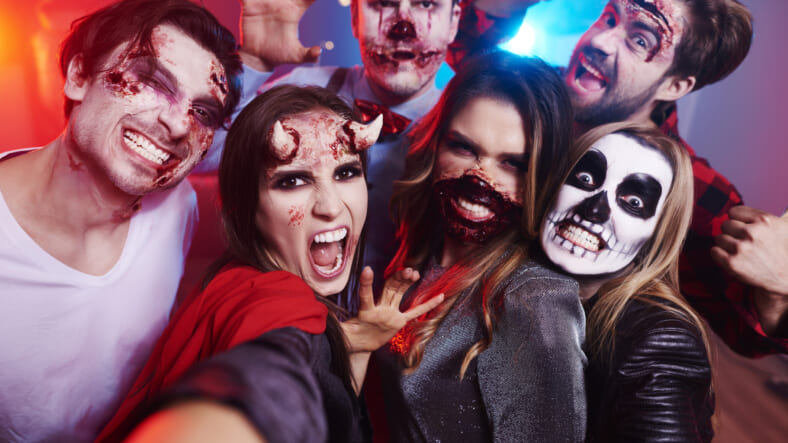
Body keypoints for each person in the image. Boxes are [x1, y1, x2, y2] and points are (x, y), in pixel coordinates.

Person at [98, 85, 441, 442]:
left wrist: (355, 351)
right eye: (292, 180)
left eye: (345, 173)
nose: (331, 207)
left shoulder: (234, 280)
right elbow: (263, 382)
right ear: (244, 206)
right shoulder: (277, 303)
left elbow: (326, 421)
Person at [0, 0, 242, 441]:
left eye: (203, 112)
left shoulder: (178, 206)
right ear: (78, 76)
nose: (178, 125)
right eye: (152, 81)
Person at [192, 0, 539, 305]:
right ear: (355, 18)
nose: (404, 26)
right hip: (279, 310)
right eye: (383, 3)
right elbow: (199, 156)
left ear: (454, 21)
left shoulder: (470, 121)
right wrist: (254, 63)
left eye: (426, 3)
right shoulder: (303, 89)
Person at [371, 51, 586, 442]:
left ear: (540, 176)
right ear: (436, 144)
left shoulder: (533, 300)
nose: (479, 178)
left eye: (513, 163)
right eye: (464, 148)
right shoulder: (421, 249)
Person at [563, 0, 787, 355]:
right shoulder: (522, 97)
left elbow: (746, 336)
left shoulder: (693, 192)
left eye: (640, 41)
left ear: (675, 86)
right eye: (609, 18)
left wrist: (778, 288)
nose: (600, 41)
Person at [540, 122, 713, 442]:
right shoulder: (528, 285)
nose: (594, 209)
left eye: (633, 203)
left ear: (657, 235)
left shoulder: (659, 341)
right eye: (585, 179)